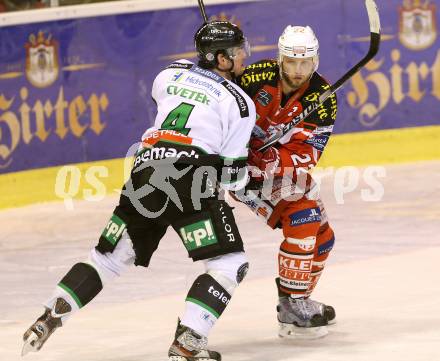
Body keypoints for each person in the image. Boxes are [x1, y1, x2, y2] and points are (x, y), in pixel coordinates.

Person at [22, 21, 255, 361]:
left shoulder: (169, 74)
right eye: (236, 54)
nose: (242, 59)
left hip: (146, 172)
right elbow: (233, 179)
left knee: (107, 259)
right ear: (220, 59)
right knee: (229, 262)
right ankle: (188, 343)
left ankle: (49, 317)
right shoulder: (240, 103)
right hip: (191, 179)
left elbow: (178, 96)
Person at [235, 25, 338, 339]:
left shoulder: (323, 98)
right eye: (291, 62)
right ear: (281, 59)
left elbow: (309, 153)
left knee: (324, 238)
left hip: (278, 171)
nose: (297, 70)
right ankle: (293, 304)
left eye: (304, 63)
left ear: (315, 61)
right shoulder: (253, 79)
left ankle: (296, 301)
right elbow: (219, 111)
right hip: (238, 171)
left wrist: (275, 160)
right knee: (303, 216)